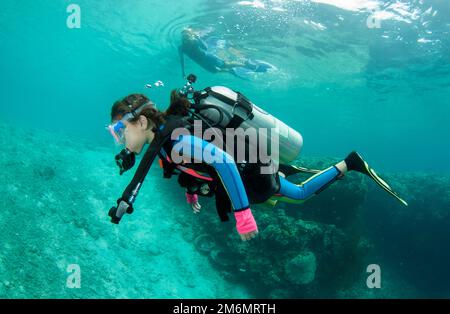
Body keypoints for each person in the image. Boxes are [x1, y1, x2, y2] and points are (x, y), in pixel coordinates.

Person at [107, 91, 407, 242]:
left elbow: (222, 161)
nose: (121, 138)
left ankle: (348, 164)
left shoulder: (176, 141)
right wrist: (192, 193)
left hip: (251, 172)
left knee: (298, 196)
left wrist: (243, 215)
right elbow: (190, 168)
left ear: (142, 122)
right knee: (283, 188)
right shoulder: (165, 143)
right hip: (250, 165)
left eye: (121, 130)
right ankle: (286, 171)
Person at [180, 27, 276, 79]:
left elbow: (205, 48)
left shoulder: (195, 41)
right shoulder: (181, 47)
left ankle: (246, 65)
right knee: (214, 71)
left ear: (190, 35)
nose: (185, 37)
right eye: (183, 35)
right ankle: (231, 71)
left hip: (208, 57)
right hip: (201, 63)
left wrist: (198, 38)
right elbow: (182, 60)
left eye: (187, 35)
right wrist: (183, 72)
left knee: (225, 65)